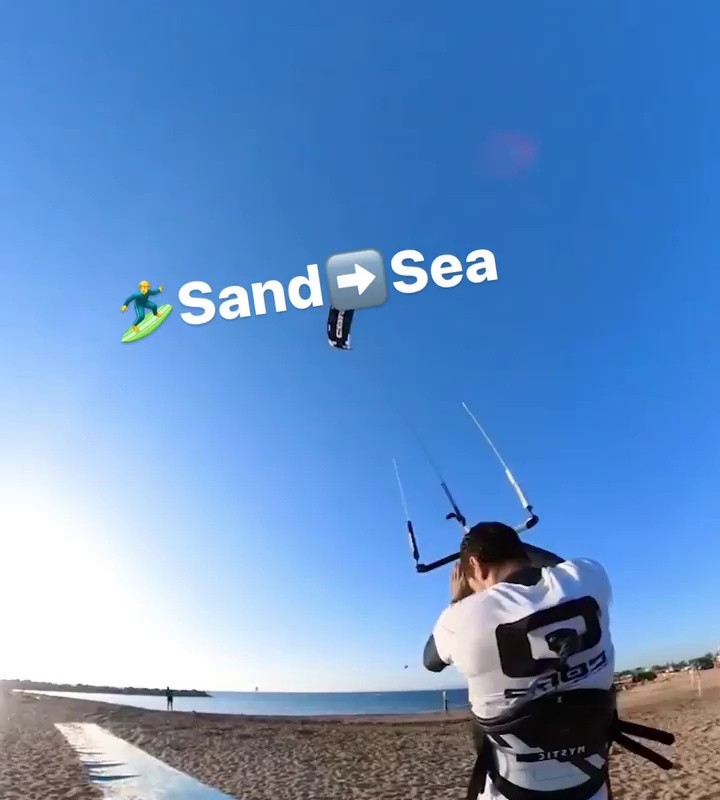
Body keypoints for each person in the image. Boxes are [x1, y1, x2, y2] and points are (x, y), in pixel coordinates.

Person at [423, 521, 673, 800]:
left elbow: (431, 661)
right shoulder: (589, 578)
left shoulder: (460, 618)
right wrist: (511, 545)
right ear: (522, 553)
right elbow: (559, 567)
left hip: (511, 792)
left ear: (475, 565)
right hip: (590, 789)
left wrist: (457, 600)